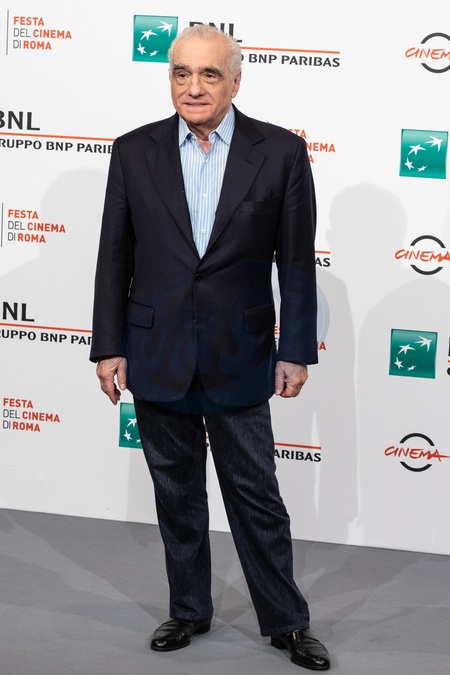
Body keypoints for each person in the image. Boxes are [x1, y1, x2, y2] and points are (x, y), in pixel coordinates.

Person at [90, 24, 330, 671]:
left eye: (209, 74)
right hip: (156, 350)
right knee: (176, 496)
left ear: (235, 81)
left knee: (257, 498)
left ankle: (286, 621)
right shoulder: (132, 150)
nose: (193, 87)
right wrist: (108, 347)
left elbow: (296, 263)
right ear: (169, 78)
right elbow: (114, 256)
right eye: (181, 73)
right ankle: (189, 608)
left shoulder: (280, 152)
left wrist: (295, 350)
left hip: (241, 354)